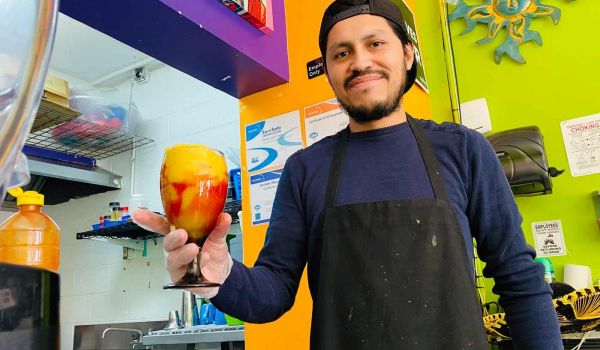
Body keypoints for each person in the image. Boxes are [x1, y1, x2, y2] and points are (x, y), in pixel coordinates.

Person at [134, 0, 562, 348]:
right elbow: (273, 293)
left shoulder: (465, 149)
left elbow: (518, 278)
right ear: (331, 72)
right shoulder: (305, 169)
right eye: (342, 53)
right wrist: (217, 276)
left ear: (407, 54)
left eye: (376, 44)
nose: (360, 63)